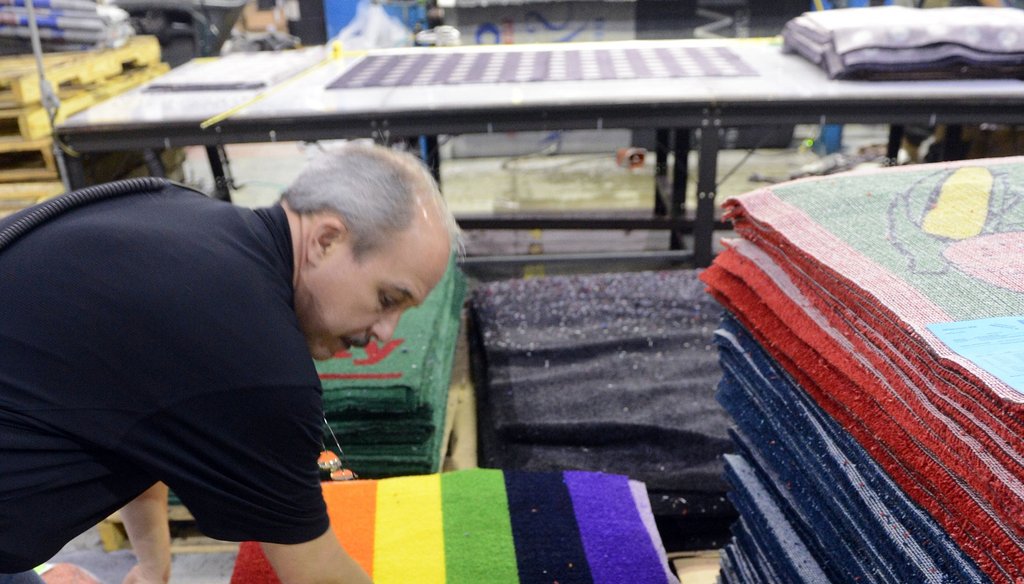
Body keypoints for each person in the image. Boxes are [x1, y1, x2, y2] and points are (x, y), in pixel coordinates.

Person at [0, 142, 461, 584]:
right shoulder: (259, 363)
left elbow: (146, 417)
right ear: (326, 240)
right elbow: (317, 573)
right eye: (387, 299)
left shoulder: (178, 213)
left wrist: (152, 567)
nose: (387, 332)